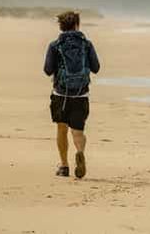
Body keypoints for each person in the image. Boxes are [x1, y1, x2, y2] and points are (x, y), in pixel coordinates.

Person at [43, 10, 101, 179]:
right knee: (77, 131)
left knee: (62, 129)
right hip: (81, 95)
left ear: (61, 26)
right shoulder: (87, 44)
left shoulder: (55, 45)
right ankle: (80, 152)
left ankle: (64, 166)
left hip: (60, 94)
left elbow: (47, 70)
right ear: (77, 25)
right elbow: (96, 68)